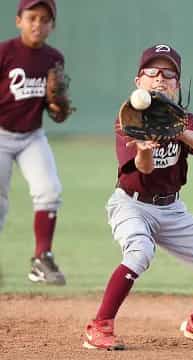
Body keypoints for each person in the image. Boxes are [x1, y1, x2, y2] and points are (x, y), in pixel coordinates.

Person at [83, 44, 193, 350]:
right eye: (152, 72)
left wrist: (179, 132)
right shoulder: (129, 118)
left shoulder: (184, 119)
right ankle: (99, 326)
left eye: (168, 73)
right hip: (131, 204)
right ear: (138, 81)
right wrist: (144, 151)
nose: (160, 79)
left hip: (172, 209)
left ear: (177, 84)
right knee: (139, 252)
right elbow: (141, 169)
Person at [0, 0, 71, 285]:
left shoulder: (53, 57)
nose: (37, 25)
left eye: (45, 19)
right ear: (19, 20)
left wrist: (57, 107)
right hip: (0, 135)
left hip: (32, 136)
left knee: (49, 190)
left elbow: (56, 111)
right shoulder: (4, 52)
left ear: (52, 26)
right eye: (32, 18)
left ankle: (42, 258)